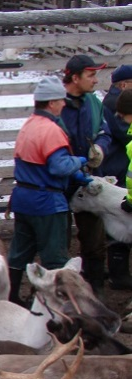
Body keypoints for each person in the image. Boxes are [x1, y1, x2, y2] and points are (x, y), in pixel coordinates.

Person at [7, 76, 92, 306]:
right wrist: (81, 161)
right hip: (46, 202)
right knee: (55, 256)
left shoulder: (28, 125)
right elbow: (58, 166)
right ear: (52, 103)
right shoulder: (51, 130)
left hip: (23, 199)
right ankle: (61, 304)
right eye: (61, 101)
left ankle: (11, 297)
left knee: (19, 252)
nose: (64, 104)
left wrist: (75, 173)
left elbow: (37, 163)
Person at [61, 54, 112, 297]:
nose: (95, 80)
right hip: (60, 183)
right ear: (74, 77)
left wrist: (100, 148)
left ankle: (96, 292)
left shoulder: (94, 102)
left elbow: (105, 131)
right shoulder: (56, 103)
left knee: (94, 239)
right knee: (58, 241)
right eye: (91, 75)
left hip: (90, 180)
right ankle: (61, 293)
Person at [99, 65, 132, 289]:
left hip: (119, 169)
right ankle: (118, 274)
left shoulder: (117, 101)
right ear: (123, 84)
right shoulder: (116, 104)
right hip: (117, 170)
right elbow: (122, 133)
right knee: (118, 222)